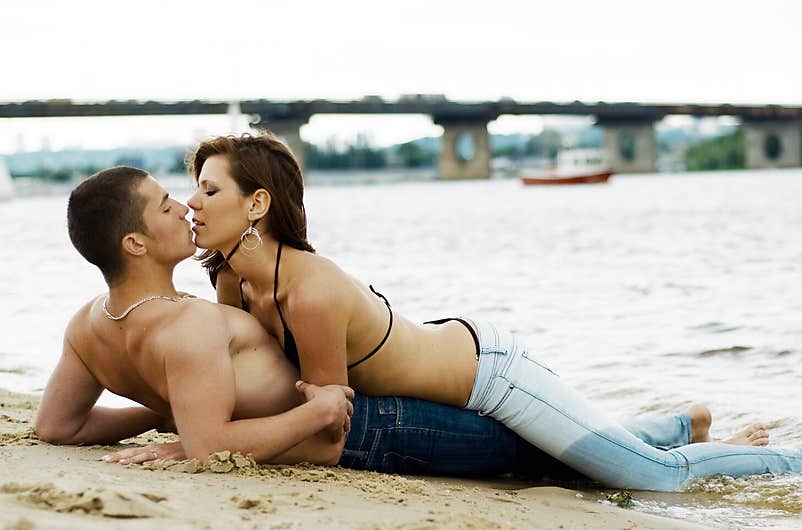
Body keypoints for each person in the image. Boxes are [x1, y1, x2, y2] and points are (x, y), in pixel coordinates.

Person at [187, 133, 802, 492]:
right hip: (456, 378)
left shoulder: (308, 289)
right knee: (583, 460)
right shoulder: (236, 286)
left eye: (208, 189)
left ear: (257, 204)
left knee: (657, 479)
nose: (192, 202)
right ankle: (675, 423)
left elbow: (331, 414)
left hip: (494, 377)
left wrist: (209, 441)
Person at [34, 165, 606, 484]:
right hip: (364, 429)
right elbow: (210, 448)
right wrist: (317, 409)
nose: (185, 207)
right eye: (164, 206)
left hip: (356, 410)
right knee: (548, 457)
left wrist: (164, 412)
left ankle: (657, 430)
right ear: (134, 244)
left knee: (567, 444)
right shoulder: (188, 325)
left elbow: (58, 427)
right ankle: (662, 437)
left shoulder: (88, 325)